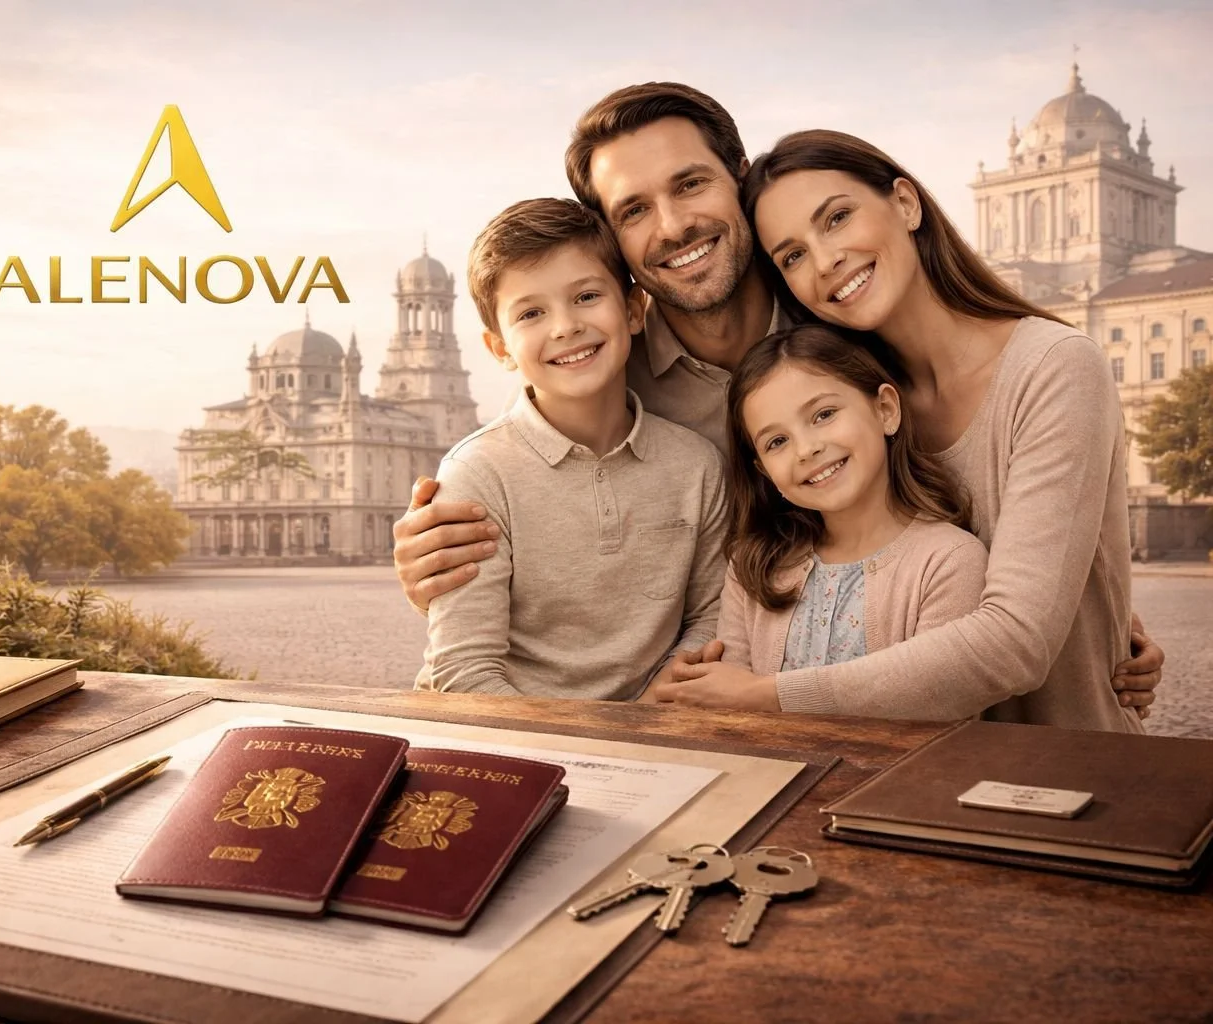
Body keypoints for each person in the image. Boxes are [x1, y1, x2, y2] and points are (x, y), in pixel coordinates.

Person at [391, 82, 1164, 718]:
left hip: (1016, 741)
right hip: (808, 751)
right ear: (613, 242)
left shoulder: (849, 339)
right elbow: (533, 472)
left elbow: (1015, 603)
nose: (673, 225)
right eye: (633, 210)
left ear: (740, 178)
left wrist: (1086, 609)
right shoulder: (608, 374)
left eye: (690, 184)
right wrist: (441, 552)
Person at [652, 128, 1142, 731]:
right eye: (793, 256)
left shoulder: (1054, 367)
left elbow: (1019, 638)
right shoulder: (845, 399)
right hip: (908, 768)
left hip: (1057, 759)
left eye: (837, 218)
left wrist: (767, 694)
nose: (825, 261)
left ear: (906, 204)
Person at [415, 197, 727, 700]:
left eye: (586, 296)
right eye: (531, 313)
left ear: (633, 310)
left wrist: (658, 704)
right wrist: (592, 740)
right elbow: (465, 673)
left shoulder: (697, 465)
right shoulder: (477, 473)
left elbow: (709, 617)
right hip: (508, 736)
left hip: (657, 727)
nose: (564, 327)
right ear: (501, 349)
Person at [706, 322, 988, 717]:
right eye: (777, 441)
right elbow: (729, 707)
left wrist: (771, 695)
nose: (806, 449)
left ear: (885, 410)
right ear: (764, 471)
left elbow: (932, 704)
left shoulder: (948, 561)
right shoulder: (753, 567)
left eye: (823, 414)